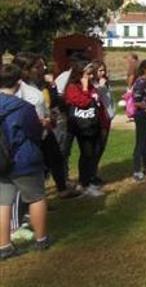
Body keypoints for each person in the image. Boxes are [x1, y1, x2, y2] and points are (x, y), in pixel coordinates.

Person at [0, 64, 51, 259]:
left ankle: (4, 245)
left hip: (1, 160)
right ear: (18, 82)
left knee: (3, 203)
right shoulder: (23, 107)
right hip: (24, 158)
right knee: (36, 197)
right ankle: (41, 239)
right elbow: (34, 132)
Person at [12, 53, 75, 199]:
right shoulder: (17, 88)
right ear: (26, 69)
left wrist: (49, 116)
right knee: (31, 169)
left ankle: (50, 194)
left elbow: (43, 104)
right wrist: (38, 122)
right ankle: (28, 204)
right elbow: (16, 113)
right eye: (38, 66)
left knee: (54, 160)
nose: (43, 68)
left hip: (44, 132)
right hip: (29, 136)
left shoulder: (35, 84)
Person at [64, 62, 109, 197]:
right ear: (79, 74)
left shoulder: (91, 86)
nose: (90, 77)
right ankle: (83, 184)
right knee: (86, 153)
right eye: (87, 74)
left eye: (91, 74)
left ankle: (87, 181)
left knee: (90, 154)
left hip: (92, 124)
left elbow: (97, 104)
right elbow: (83, 102)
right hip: (79, 126)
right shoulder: (72, 87)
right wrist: (84, 88)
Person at [90, 61, 113, 186]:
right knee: (96, 148)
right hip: (97, 119)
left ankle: (94, 173)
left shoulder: (105, 83)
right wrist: (100, 87)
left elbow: (109, 100)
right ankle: (90, 175)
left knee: (101, 147)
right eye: (100, 70)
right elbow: (95, 98)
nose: (103, 73)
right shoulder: (93, 84)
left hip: (106, 118)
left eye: (104, 70)